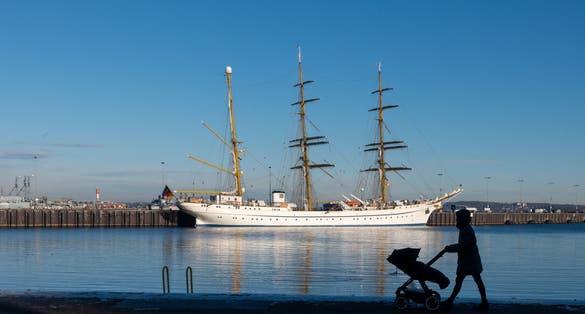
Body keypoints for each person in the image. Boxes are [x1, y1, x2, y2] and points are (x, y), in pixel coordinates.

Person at [442, 208, 489, 311]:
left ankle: (450, 301)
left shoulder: (466, 230)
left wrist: (449, 248)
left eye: (458, 219)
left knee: (466, 280)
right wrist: (450, 248)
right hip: (469, 260)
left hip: (469, 260)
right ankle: (484, 301)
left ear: (463, 219)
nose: (457, 221)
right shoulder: (465, 229)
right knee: (472, 280)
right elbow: (463, 245)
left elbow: (463, 246)